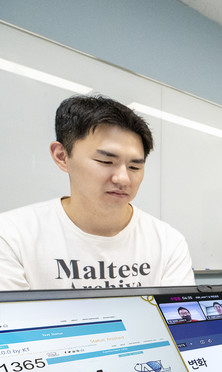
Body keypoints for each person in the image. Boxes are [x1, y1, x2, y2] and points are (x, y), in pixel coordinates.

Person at [0, 95, 195, 290]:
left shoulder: (167, 242)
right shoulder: (11, 236)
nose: (123, 179)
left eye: (134, 167)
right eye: (106, 162)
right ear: (62, 156)